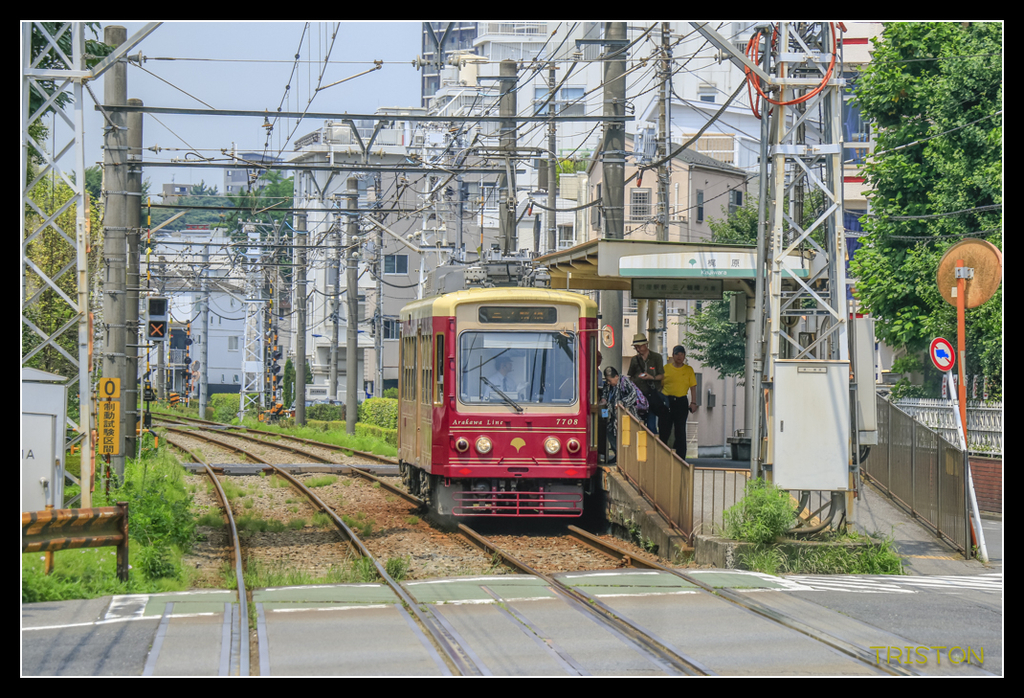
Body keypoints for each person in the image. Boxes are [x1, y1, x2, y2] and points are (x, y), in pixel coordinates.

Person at [602, 366, 646, 463]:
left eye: (610, 380)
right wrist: (603, 399)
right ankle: (617, 454)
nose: (609, 383)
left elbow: (633, 394)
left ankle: (626, 457)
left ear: (616, 376)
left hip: (627, 414)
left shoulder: (624, 381)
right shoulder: (609, 385)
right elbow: (605, 394)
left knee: (626, 435)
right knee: (610, 432)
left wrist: (622, 403)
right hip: (612, 415)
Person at [661, 345, 698, 461]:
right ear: (673, 355)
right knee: (664, 429)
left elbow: (693, 387)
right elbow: (660, 385)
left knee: (680, 430)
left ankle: (681, 457)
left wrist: (693, 402)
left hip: (681, 401)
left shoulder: (688, 370)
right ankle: (663, 454)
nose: (679, 357)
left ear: (684, 356)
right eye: (677, 354)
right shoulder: (666, 368)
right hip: (667, 401)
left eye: (681, 354)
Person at [627, 333, 665, 432]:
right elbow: (630, 376)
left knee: (651, 426)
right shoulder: (634, 360)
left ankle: (653, 445)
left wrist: (651, 377)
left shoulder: (656, 357)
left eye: (639, 347)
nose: (638, 349)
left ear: (646, 345)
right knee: (639, 425)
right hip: (639, 397)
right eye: (636, 347)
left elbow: (662, 375)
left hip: (652, 395)